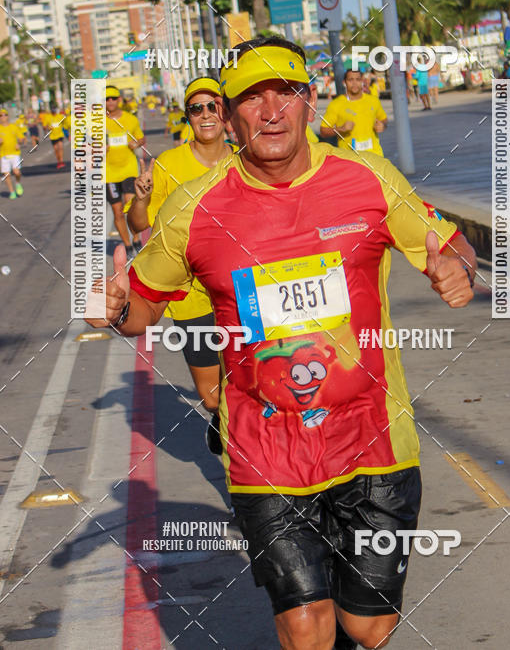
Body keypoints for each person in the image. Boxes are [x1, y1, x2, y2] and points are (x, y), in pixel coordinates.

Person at [86, 36, 477, 650]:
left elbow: (448, 242)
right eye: (252, 98)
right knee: (304, 625)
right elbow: (138, 312)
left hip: (373, 439)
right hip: (264, 449)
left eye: (286, 93)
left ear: (308, 100)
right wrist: (110, 307)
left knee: (368, 626)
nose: (271, 111)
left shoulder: (367, 180)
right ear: (232, 112)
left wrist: (459, 265)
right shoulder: (195, 208)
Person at [127, 77, 235, 448]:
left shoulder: (245, 159)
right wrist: (140, 199)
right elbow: (139, 224)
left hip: (244, 291)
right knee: (211, 397)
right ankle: (223, 420)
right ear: (188, 116)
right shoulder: (169, 164)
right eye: (196, 108)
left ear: (225, 112)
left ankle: (252, 486)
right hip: (191, 296)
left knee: (252, 386)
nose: (205, 115)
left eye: (213, 106)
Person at [104, 85, 144, 261]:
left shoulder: (130, 119)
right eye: (107, 99)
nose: (110, 101)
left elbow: (141, 137)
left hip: (128, 168)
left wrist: (137, 143)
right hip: (108, 173)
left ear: (119, 100)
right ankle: (127, 244)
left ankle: (136, 239)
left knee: (130, 206)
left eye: (113, 98)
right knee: (117, 211)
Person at [320, 69, 387, 156]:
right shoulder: (336, 104)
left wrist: (383, 125)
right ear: (344, 82)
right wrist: (341, 129)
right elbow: (323, 131)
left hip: (375, 156)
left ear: (362, 81)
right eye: (350, 80)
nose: (354, 83)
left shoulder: (373, 101)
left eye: (358, 79)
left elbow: (384, 119)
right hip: (350, 160)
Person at [0, 109, 25, 199]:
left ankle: (18, 183)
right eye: (1, 115)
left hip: (15, 153)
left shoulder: (14, 127)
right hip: (3, 155)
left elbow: (21, 138)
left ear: (8, 116)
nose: (3, 117)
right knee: (7, 175)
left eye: (5, 115)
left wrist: (20, 143)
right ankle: (11, 192)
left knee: (17, 172)